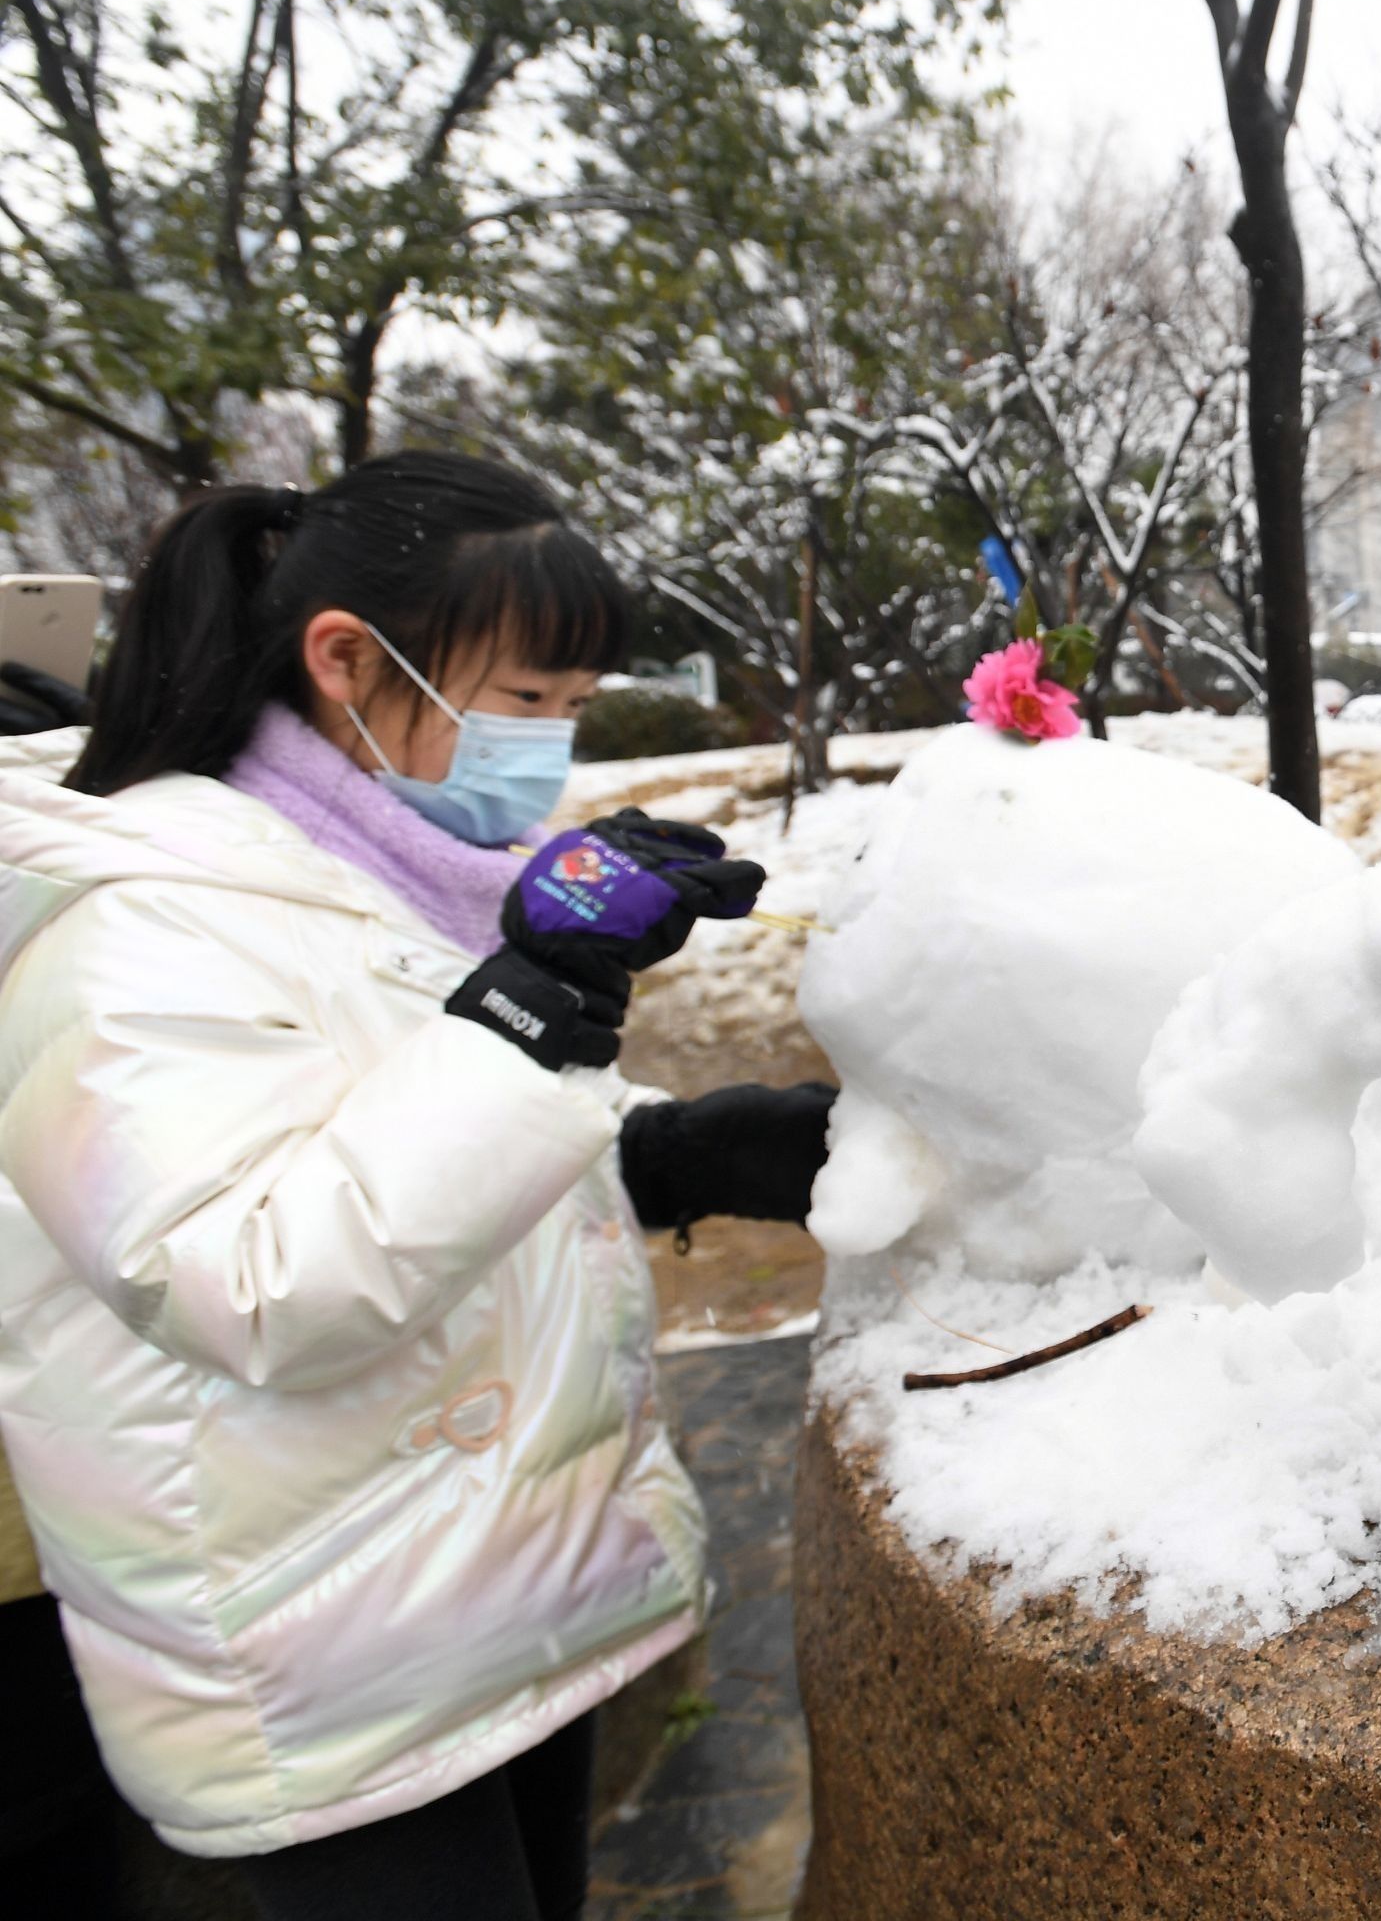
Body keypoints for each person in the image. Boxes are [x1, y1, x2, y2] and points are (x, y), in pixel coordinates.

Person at [0, 452, 834, 1921]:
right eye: (525, 701)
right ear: (345, 659)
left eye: (577, 705)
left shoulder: (386, 870)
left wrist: (670, 1154)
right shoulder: (137, 925)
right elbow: (253, 1279)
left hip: (495, 1612)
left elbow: (401, 1136)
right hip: (325, 1671)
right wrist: (532, 1007)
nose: (557, 746)